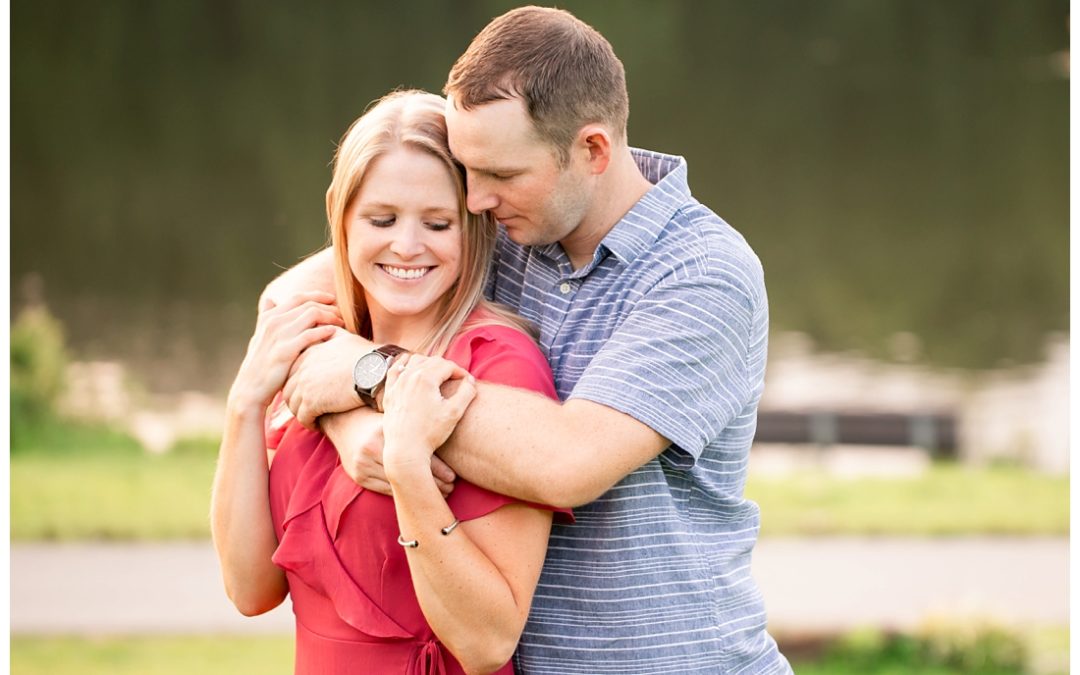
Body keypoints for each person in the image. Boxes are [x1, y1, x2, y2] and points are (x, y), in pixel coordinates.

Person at [267, 6, 792, 674]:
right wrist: (351, 424)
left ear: (593, 150)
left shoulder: (703, 275)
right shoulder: (506, 229)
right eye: (466, 170)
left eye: (501, 175)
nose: (474, 200)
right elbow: (291, 299)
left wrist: (375, 376)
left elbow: (565, 464)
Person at [211, 89, 570, 675]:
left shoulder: (495, 364)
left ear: (472, 227)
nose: (407, 246)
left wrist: (407, 473)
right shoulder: (319, 343)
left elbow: (487, 643)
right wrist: (245, 404)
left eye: (436, 223)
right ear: (341, 216)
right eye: (382, 219)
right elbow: (250, 589)